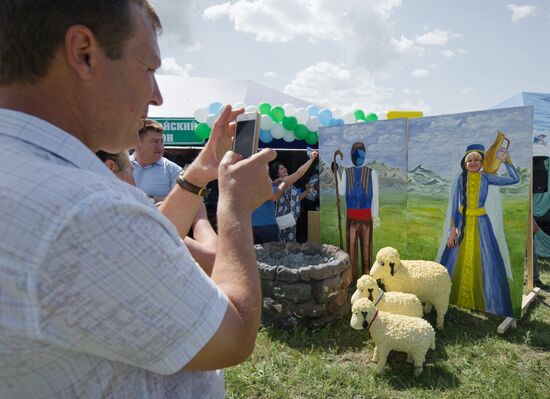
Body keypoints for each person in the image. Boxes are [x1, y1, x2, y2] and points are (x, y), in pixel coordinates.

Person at [0, 2, 276, 398]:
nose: (157, 95)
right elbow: (236, 335)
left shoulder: (29, 175)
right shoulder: (87, 211)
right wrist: (234, 208)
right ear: (83, 53)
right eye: (148, 68)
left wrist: (198, 174)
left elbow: (144, 245)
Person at [97, 150, 218, 274]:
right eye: (131, 172)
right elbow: (213, 261)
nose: (134, 183)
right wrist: (200, 217)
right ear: (110, 168)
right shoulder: (129, 219)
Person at [438, 144, 520, 317]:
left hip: (482, 225)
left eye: (477, 159)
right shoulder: (460, 179)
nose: (473, 163)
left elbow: (515, 179)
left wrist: (507, 161)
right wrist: (452, 231)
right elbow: (454, 206)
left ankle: (488, 302)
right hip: (462, 224)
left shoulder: (487, 178)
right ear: (464, 163)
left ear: (483, 162)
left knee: (486, 259)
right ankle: (446, 296)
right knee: (454, 258)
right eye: (470, 160)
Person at [337, 142, 380, 283]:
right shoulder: (346, 172)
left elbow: (375, 196)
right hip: (351, 218)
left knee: (366, 252)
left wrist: (375, 216)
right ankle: (352, 281)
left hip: (366, 218)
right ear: (351, 155)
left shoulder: (371, 172)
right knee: (351, 252)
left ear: (365, 154)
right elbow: (342, 192)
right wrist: (337, 173)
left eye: (361, 154)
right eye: (355, 154)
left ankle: (367, 282)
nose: (358, 158)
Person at [271, 150, 318, 242]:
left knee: (287, 244)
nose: (285, 169)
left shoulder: (288, 184)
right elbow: (299, 173)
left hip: (290, 220)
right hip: (284, 218)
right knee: (284, 244)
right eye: (281, 168)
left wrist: (308, 191)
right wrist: (311, 159)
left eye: (284, 167)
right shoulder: (282, 181)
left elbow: (298, 198)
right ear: (276, 174)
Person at [131, 118, 182, 203]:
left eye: (161, 141)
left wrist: (149, 199)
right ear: (137, 143)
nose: (160, 146)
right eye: (154, 142)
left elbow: (181, 201)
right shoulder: (120, 166)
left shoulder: (173, 171)